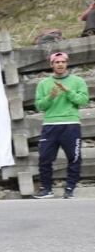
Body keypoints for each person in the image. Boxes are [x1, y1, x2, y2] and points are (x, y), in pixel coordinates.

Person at [33, 52, 89, 199]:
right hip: (50, 124)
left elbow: (83, 101)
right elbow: (39, 106)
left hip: (71, 124)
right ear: (52, 65)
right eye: (57, 62)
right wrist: (50, 96)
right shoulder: (43, 84)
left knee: (74, 158)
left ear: (67, 63)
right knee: (44, 158)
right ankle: (46, 190)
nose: (60, 64)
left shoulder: (78, 81)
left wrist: (68, 91)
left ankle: (69, 189)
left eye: (63, 62)